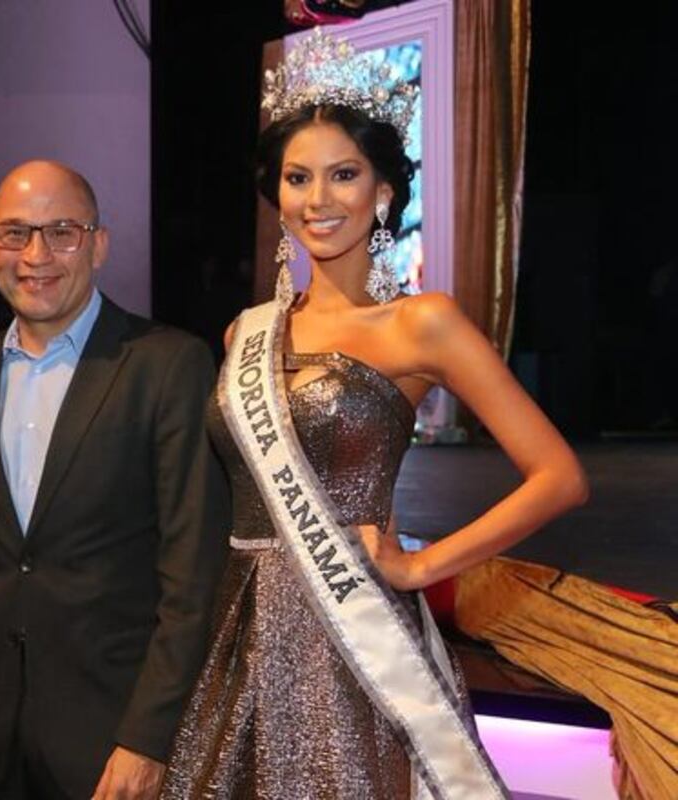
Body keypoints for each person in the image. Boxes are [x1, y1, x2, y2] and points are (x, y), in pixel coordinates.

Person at [160, 30, 588, 800]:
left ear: (383, 191)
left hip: (352, 642)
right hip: (242, 629)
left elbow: (558, 477)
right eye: (298, 178)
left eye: (343, 175)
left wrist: (424, 566)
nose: (318, 199)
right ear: (277, 195)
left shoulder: (420, 325)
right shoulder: (245, 333)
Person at [0, 160, 230, 800]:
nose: (36, 254)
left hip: (112, 739)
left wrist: (148, 736)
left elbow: (192, 575)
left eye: (62, 232)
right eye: (16, 233)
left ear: (99, 245)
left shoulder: (168, 366)